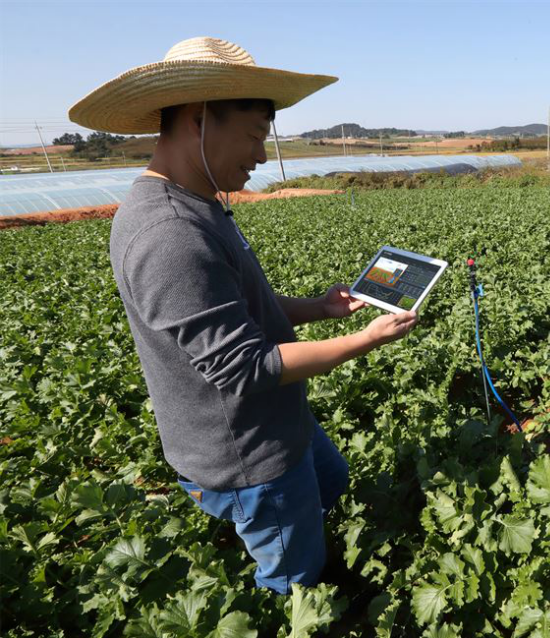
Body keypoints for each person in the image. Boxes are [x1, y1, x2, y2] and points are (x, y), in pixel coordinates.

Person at [69, 37, 418, 594]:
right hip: (248, 454)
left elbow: (238, 309)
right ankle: (299, 604)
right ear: (199, 117)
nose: (261, 155)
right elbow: (244, 367)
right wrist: (365, 339)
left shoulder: (199, 204)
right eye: (256, 135)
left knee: (331, 482)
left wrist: (320, 309)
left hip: (277, 425)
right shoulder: (170, 234)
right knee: (293, 577)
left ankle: (314, 552)